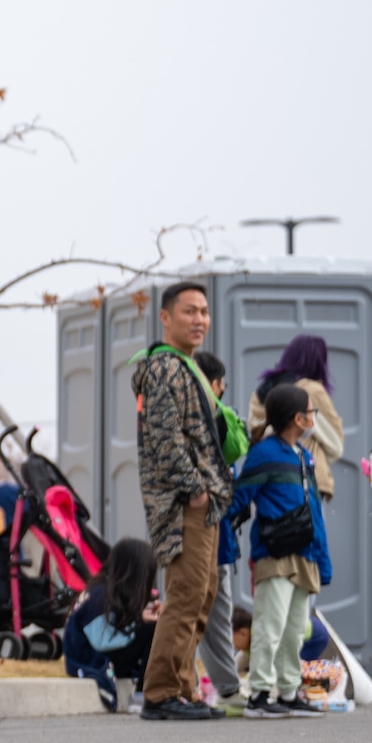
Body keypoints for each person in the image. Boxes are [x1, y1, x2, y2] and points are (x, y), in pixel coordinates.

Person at [131, 281, 232, 720]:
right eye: (189, 311)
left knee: (203, 592)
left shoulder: (186, 367)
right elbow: (165, 437)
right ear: (166, 318)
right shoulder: (166, 368)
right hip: (182, 502)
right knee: (187, 593)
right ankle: (160, 692)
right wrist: (194, 488)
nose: (199, 320)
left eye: (204, 312)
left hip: (202, 500)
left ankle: (183, 687)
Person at [228, 384, 331, 718]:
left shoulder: (303, 454)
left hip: (305, 554)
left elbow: (314, 509)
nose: (314, 416)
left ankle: (288, 692)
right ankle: (259, 694)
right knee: (269, 626)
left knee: (294, 628)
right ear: (297, 417)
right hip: (275, 553)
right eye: (311, 411)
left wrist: (322, 559)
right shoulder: (264, 453)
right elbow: (239, 499)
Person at [194, 349, 243, 706]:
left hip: (210, 535)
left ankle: (221, 685)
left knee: (202, 611)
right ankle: (226, 687)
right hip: (215, 537)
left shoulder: (202, 420)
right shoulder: (218, 422)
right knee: (212, 612)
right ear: (215, 384)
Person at [63, 538, 161, 712]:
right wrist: (139, 625)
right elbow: (102, 641)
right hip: (92, 659)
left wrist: (139, 618)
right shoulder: (99, 597)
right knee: (154, 628)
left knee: (153, 625)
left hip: (95, 653)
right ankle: (141, 694)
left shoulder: (103, 589)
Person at [246, 334, 344, 502]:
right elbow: (335, 445)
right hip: (304, 476)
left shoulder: (259, 394)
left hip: (267, 473)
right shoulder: (311, 391)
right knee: (309, 527)